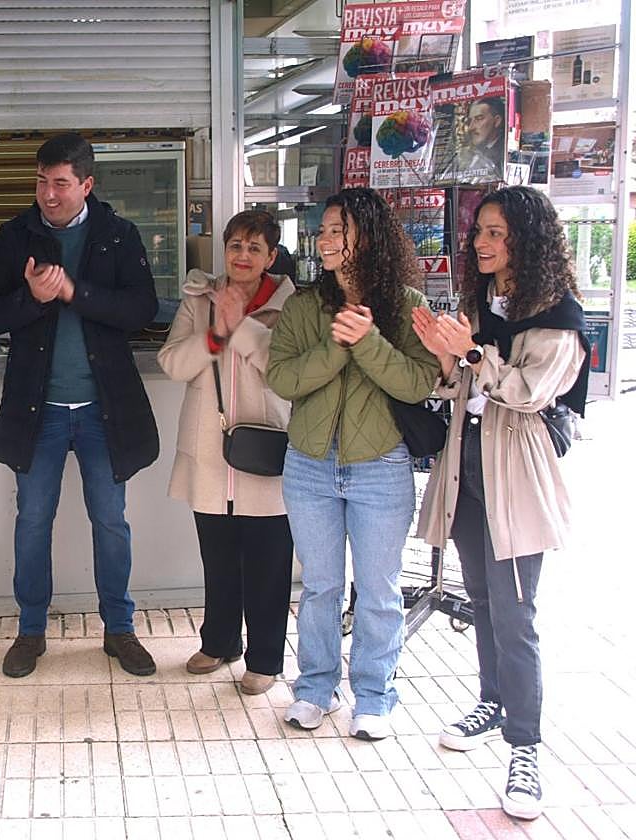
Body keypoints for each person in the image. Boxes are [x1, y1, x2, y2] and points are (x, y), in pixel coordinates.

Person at [413, 186, 587, 821]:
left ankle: (525, 747)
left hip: (516, 476)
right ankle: (492, 701)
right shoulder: (480, 302)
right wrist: (444, 356)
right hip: (466, 469)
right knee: (483, 600)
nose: (481, 243)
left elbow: (529, 392)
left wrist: (469, 352)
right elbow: (459, 385)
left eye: (496, 233)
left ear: (527, 240)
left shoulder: (558, 313)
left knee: (516, 615)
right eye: (479, 231)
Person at [0, 133, 160, 678]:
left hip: (105, 407)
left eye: (60, 183)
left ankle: (119, 629)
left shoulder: (118, 234)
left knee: (111, 521)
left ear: (87, 184)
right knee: (33, 520)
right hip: (41, 408)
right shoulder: (16, 235)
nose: (48, 195)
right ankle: (31, 630)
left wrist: (73, 293)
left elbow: (142, 309)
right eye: (41, 182)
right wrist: (32, 298)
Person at [267, 187, 439, 740]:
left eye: (337, 229)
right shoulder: (303, 306)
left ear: (368, 236)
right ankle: (315, 689)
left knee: (379, 589)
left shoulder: (408, 305)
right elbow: (282, 378)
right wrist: (337, 347)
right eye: (323, 230)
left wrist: (367, 340)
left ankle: (375, 695)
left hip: (380, 465)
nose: (325, 239)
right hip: (309, 464)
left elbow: (418, 383)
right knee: (320, 586)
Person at [157, 211, 295, 692]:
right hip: (210, 452)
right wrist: (215, 334)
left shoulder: (291, 305)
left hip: (266, 449)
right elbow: (173, 363)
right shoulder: (200, 298)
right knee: (217, 559)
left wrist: (242, 328)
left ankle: (265, 660)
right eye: (236, 245)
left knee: (268, 565)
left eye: (255, 248)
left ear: (271, 257)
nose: (243, 255)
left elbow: (289, 372)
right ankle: (219, 642)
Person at [460, 98, 505, 182]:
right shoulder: (467, 154)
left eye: (479, 119)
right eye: (469, 121)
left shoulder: (504, 153)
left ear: (497, 121)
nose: (471, 127)